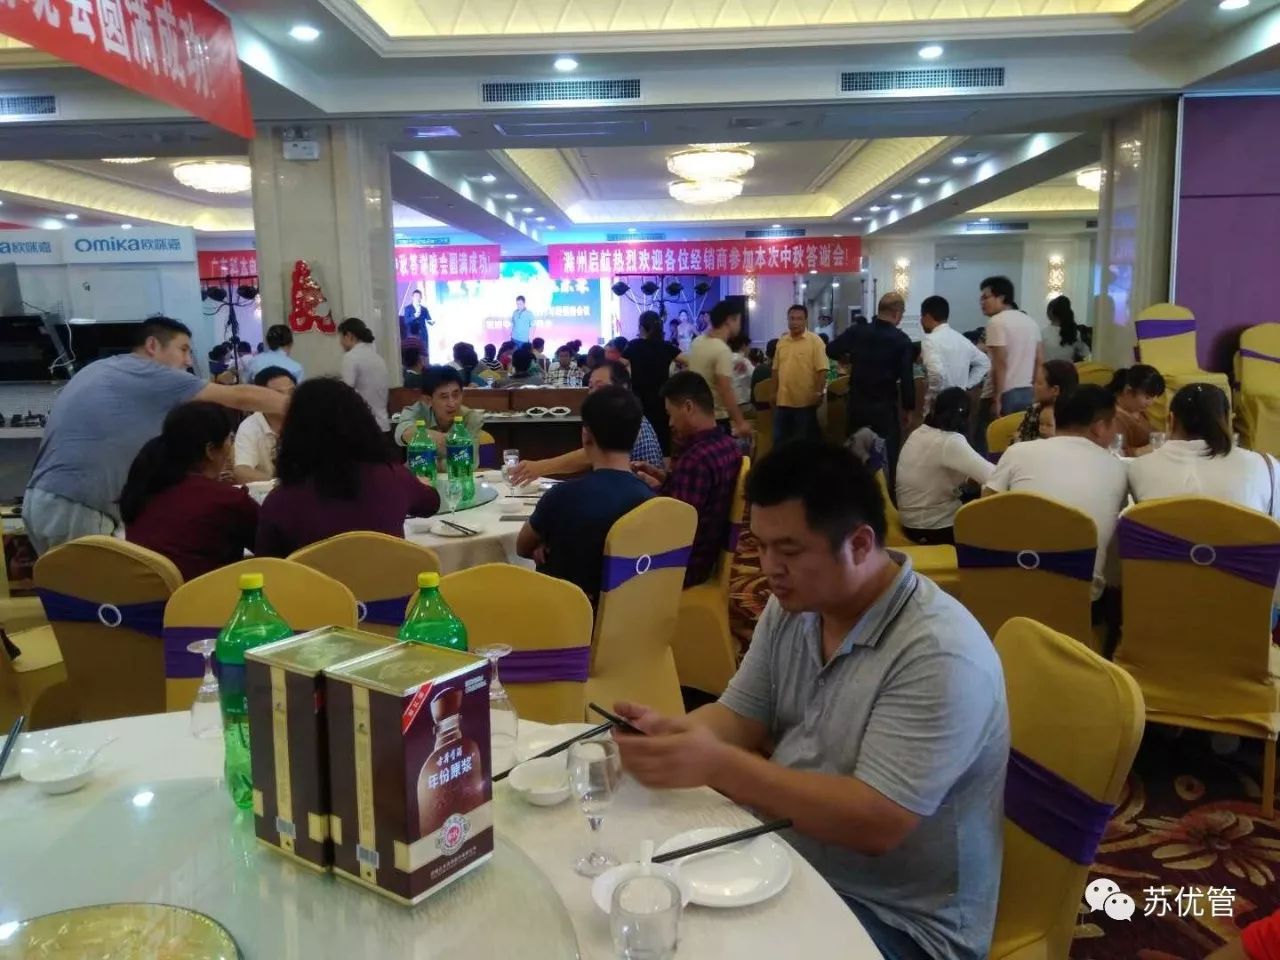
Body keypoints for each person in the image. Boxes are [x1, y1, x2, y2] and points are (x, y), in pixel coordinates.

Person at [613, 440, 1008, 960]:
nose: (768, 568)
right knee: (642, 903)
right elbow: (741, 715)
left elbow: (875, 822)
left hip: (901, 922)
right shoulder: (795, 607)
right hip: (790, 858)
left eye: (790, 550)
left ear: (860, 544)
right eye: (761, 546)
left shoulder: (938, 653)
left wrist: (718, 764)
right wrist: (675, 737)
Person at [24, 316, 287, 554]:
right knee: (100, 591)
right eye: (183, 349)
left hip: (40, 499)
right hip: (79, 505)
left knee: (70, 590)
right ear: (152, 345)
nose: (188, 361)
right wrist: (300, 406)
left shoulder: (101, 369)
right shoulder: (149, 373)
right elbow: (237, 396)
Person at [256, 378, 439, 556]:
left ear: (294, 433)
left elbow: (268, 565)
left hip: (313, 578)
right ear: (364, 422)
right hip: (390, 577)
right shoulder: (395, 478)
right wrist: (418, 484)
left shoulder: (280, 501)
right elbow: (431, 504)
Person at [985, 384, 1128, 599]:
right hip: (1079, 595)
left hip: (1006, 585)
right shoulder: (1117, 468)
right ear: (1099, 427)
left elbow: (983, 511)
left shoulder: (1017, 452)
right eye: (1114, 422)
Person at [516, 386, 655, 606]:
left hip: (570, 618)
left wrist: (549, 541)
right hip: (633, 615)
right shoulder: (652, 501)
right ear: (637, 435)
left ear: (586, 435)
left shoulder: (561, 497)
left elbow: (522, 547)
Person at [120, 401, 257, 581]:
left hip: (142, 595)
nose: (231, 447)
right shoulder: (226, 499)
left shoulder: (144, 488)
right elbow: (273, 547)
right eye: (229, 439)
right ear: (210, 450)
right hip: (202, 595)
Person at [633, 372, 743, 587]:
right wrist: (662, 479)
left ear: (688, 407)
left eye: (671, 414)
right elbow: (697, 499)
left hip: (682, 567)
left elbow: (674, 525)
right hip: (706, 558)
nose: (670, 423)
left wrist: (642, 493)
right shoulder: (728, 446)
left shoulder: (695, 459)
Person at [1129, 383, 1279, 515]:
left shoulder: (1139, 469)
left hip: (1166, 541)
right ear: (1227, 420)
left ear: (1171, 420)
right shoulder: (1267, 468)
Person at [509, 361, 665, 483]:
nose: (593, 393)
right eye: (590, 387)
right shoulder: (623, 415)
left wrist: (540, 467)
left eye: (600, 387)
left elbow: (589, 456)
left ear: (623, 388)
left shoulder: (627, 419)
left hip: (644, 500)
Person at [826, 292, 914, 484]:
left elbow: (831, 349)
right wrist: (908, 408)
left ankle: (853, 492)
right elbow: (907, 378)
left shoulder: (857, 331)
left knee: (855, 452)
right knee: (886, 454)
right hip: (884, 407)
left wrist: (848, 358)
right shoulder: (902, 340)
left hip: (857, 404)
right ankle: (884, 492)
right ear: (897, 313)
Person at [895, 388, 993, 545]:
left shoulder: (919, 432)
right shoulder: (949, 441)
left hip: (911, 522)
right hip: (932, 528)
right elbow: (994, 476)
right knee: (994, 521)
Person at [687, 301, 753, 440]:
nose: (739, 325)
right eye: (738, 320)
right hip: (717, 418)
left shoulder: (697, 342)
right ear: (729, 320)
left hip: (697, 415)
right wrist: (740, 423)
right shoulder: (722, 350)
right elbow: (725, 390)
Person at [981, 276, 1041, 419]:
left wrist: (997, 398)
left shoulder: (996, 322)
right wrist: (1035, 392)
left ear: (1001, 298)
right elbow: (1039, 360)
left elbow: (1000, 362)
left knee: (988, 432)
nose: (982, 302)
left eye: (985, 297)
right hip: (1027, 392)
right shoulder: (1031, 322)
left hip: (1005, 393)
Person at [394, 365, 485, 456]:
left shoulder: (471, 418)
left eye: (456, 395)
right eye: (444, 397)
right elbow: (403, 432)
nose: (452, 404)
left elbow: (468, 459)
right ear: (428, 400)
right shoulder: (417, 411)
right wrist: (442, 441)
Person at [919, 295, 989, 414]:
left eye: (922, 316)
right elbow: (984, 363)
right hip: (960, 403)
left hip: (940, 405)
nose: (921, 321)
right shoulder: (962, 340)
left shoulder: (930, 341)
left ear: (927, 316)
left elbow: (936, 372)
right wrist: (967, 386)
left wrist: (931, 397)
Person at [624, 310, 682, 453]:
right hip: (662, 401)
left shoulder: (634, 346)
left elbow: (618, 364)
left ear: (641, 328)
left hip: (639, 402)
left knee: (640, 440)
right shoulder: (666, 347)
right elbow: (688, 360)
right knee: (663, 443)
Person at [772, 304, 829, 445]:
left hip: (805, 403)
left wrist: (818, 392)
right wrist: (773, 392)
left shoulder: (815, 341)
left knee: (802, 444)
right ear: (788, 320)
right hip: (783, 401)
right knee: (780, 442)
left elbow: (822, 369)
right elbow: (775, 369)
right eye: (792, 318)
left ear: (805, 321)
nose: (795, 322)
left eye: (799, 319)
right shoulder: (782, 342)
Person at [233, 366, 297, 483]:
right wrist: (282, 485)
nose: (288, 399)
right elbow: (242, 471)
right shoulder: (250, 426)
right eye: (278, 394)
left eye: (292, 392)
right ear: (260, 397)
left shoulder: (306, 420)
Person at [338, 317, 390, 432]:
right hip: (383, 425)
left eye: (341, 337)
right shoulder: (378, 358)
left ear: (349, 336)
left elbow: (345, 392)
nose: (340, 343)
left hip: (363, 426)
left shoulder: (351, 357)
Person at [1015, 359, 1079, 444]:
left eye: (1039, 383)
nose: (1033, 386)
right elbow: (1018, 441)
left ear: (1055, 390)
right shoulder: (1034, 411)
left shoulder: (1076, 418)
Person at [1107, 364, 1166, 454]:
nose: (1150, 403)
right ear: (1128, 391)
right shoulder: (1114, 417)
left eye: (1154, 398)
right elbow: (1116, 453)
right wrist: (1141, 451)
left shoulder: (1137, 411)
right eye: (1147, 398)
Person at [1042, 295, 1089, 363]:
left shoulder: (1043, 333)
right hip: (1068, 369)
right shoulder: (1074, 332)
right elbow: (1086, 353)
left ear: (1050, 312)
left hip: (1047, 369)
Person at [729, 333, 755, 409]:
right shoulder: (743, 361)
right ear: (743, 346)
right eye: (749, 346)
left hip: (727, 403)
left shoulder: (725, 358)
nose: (749, 350)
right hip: (742, 403)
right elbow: (754, 377)